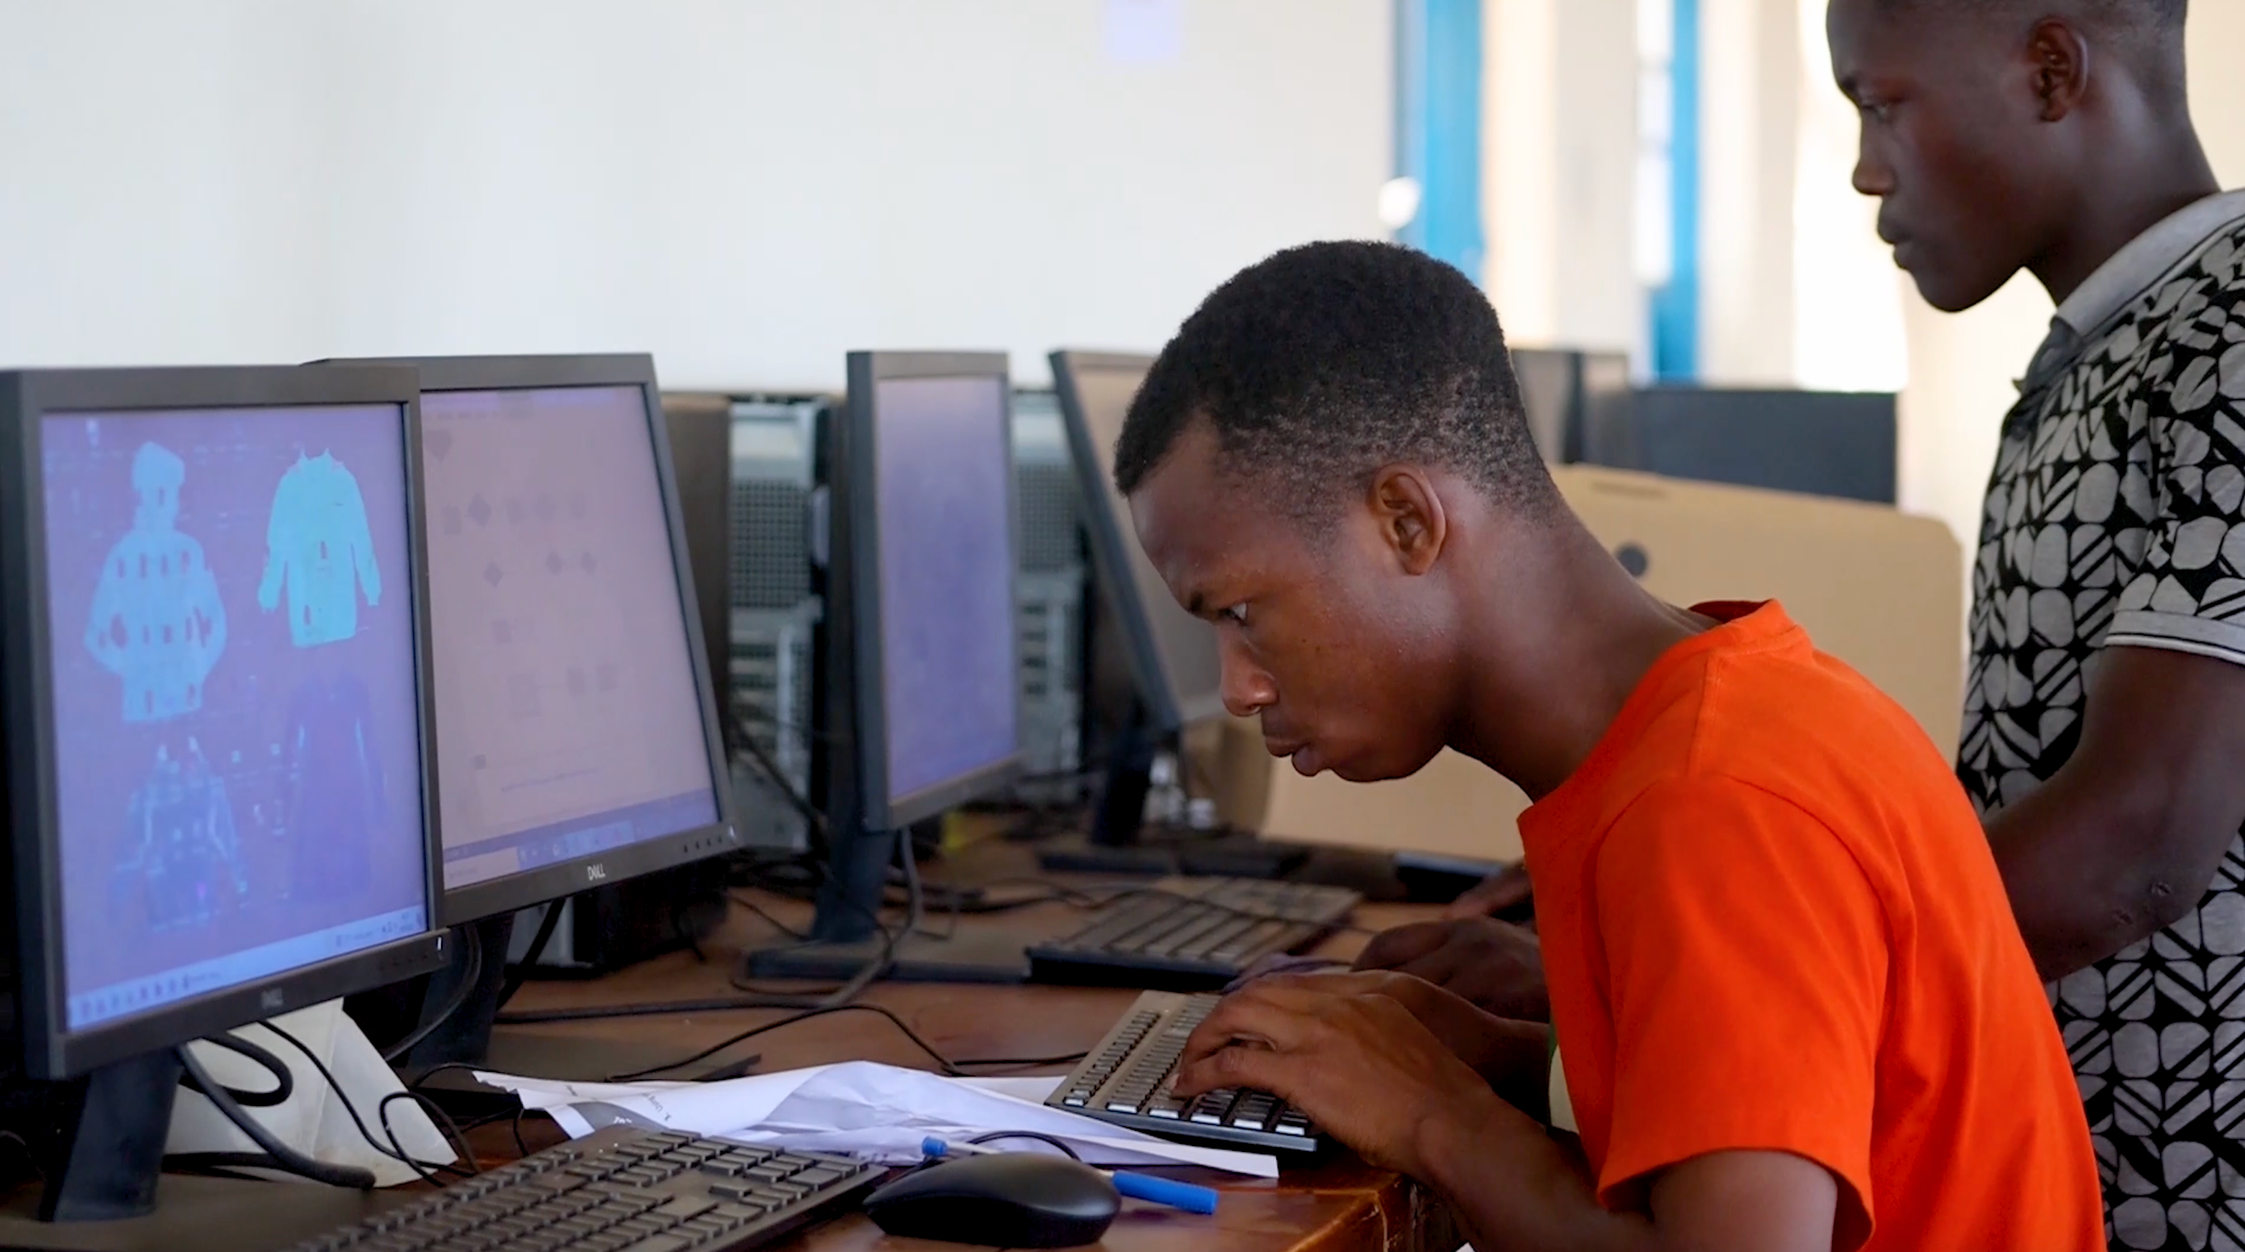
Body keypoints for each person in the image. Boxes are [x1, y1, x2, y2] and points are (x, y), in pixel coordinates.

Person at [1376, 3, 2245, 1243]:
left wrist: (1703, 989)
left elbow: (2138, 838)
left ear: (2052, 71)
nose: (1863, 167)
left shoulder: (2232, 337)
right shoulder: (2110, 350)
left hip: (2192, 1189)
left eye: (1881, 103)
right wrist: (1675, 946)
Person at [1120, 239, 2101, 1250]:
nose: (1239, 686)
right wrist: (1499, 1057)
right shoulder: (1734, 706)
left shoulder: (1714, 798)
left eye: (1240, 610)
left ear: (1407, 522)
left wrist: (1428, 1112)